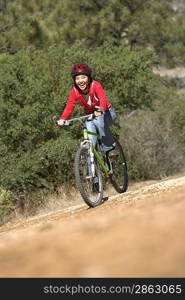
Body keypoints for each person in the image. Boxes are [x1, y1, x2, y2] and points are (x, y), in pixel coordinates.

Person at [57, 63, 117, 153]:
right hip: (91, 117)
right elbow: (69, 106)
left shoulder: (96, 85)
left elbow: (102, 99)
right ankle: (90, 161)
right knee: (90, 137)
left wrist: (101, 109)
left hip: (107, 113)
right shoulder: (74, 91)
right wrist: (62, 119)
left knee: (99, 121)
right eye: (77, 79)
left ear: (88, 78)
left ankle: (110, 149)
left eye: (83, 77)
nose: (80, 81)